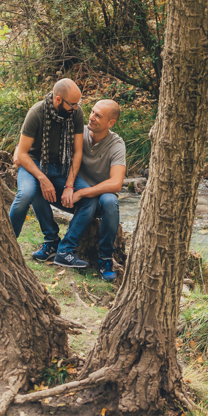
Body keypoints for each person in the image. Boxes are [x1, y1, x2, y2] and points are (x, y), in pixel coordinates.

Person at [9, 79, 95, 271]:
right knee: (26, 194)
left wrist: (70, 185)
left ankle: (64, 250)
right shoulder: (37, 112)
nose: (76, 108)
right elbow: (22, 153)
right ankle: (5, 247)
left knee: (91, 197)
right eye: (72, 104)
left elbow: (77, 152)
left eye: (78, 104)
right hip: (33, 163)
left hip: (62, 166)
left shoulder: (76, 113)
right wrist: (42, 178)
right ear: (58, 99)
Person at [68, 99, 126, 282]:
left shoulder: (116, 144)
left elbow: (116, 183)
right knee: (39, 185)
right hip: (73, 194)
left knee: (110, 201)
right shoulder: (80, 132)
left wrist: (84, 192)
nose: (91, 117)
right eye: (92, 112)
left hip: (97, 200)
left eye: (98, 116)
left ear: (111, 123)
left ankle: (105, 259)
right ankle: (53, 243)